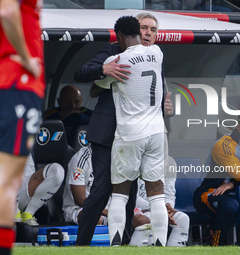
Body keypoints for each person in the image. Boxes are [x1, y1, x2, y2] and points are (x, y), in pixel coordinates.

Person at [73, 12, 173, 246]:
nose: (148, 33)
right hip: (108, 133)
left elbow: (157, 93)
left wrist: (166, 107)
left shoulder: (154, 56)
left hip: (138, 135)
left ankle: (124, 244)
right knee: (100, 191)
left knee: (129, 195)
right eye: (144, 28)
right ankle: (81, 245)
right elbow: (84, 78)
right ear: (134, 32)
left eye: (153, 29)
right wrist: (104, 70)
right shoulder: (113, 52)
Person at [0, 0, 45, 253]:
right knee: (7, 179)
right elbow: (7, 12)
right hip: (17, 83)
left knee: (10, 178)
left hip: (11, 86)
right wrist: (28, 59)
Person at [193, 110, 240, 246]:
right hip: (209, 193)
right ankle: (215, 244)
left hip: (234, 193)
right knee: (230, 206)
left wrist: (232, 184)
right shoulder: (223, 145)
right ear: (238, 127)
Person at [0, 124, 65, 226]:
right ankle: (14, 216)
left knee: (57, 171)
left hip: (19, 189)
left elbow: (29, 170)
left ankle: (28, 214)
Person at [129, 156, 190, 247]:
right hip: (134, 209)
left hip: (160, 208)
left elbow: (169, 193)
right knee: (152, 218)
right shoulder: (133, 158)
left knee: (183, 219)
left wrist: (168, 209)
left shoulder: (169, 161)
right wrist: (159, 209)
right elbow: (132, 197)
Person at [62, 144, 108, 226]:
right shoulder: (80, 158)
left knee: (136, 219)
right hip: (78, 209)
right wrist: (110, 213)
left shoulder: (116, 157)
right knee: (95, 217)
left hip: (108, 209)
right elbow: (79, 199)